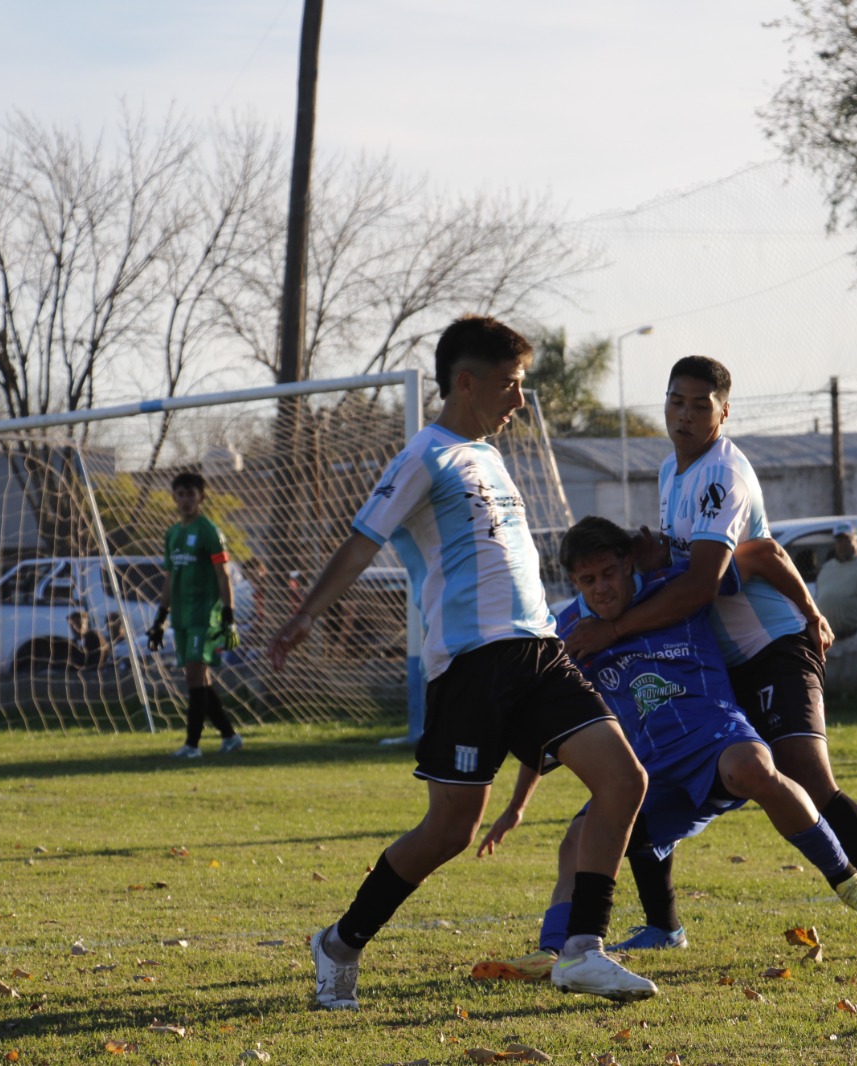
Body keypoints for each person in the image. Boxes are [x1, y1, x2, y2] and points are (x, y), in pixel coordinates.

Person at [267, 315, 655, 1009]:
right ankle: (341, 942)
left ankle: (582, 950)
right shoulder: (425, 455)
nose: (519, 400)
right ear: (466, 383)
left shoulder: (491, 458)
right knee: (451, 830)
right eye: (510, 385)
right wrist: (305, 616)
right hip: (472, 665)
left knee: (624, 778)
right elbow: (362, 542)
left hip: (539, 651)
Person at [565, 355, 857, 958]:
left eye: (700, 405)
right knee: (649, 769)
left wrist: (613, 630)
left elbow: (703, 584)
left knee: (809, 779)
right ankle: (663, 926)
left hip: (773, 647)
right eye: (676, 401)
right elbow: (733, 558)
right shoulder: (670, 471)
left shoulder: (723, 476)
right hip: (722, 659)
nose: (685, 415)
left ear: (723, 413)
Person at [470, 517, 857, 982]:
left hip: (715, 740)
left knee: (752, 767)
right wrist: (517, 806)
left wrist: (811, 614)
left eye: (609, 573)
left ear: (627, 564)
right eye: (587, 580)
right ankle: (552, 952)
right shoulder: (569, 632)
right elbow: (552, 725)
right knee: (577, 838)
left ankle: (846, 878)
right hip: (649, 773)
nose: (601, 589)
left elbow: (763, 555)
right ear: (574, 582)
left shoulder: (676, 587)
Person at [149, 471, 243, 758]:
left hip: (205, 616)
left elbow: (223, 575)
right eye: (181, 494)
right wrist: (160, 620)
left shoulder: (209, 531)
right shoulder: (172, 534)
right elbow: (170, 578)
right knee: (199, 678)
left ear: (201, 497)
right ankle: (230, 736)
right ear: (174, 497)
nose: (186, 500)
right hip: (182, 617)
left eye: (191, 494)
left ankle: (192, 745)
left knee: (193, 675)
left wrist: (228, 616)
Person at [815, 522, 857, 652]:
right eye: (839, 540)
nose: (842, 545)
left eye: (847, 540)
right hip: (830, 640)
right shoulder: (826, 568)